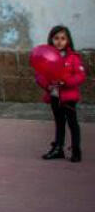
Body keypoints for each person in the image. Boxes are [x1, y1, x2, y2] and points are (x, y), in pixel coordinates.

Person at [38, 25, 84, 163]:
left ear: (68, 40)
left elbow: (80, 75)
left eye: (63, 38)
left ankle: (76, 150)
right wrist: (47, 84)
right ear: (51, 40)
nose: (59, 41)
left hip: (69, 97)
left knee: (72, 123)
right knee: (59, 123)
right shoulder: (47, 57)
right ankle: (58, 148)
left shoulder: (73, 58)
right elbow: (40, 75)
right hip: (54, 95)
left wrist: (66, 82)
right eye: (56, 38)